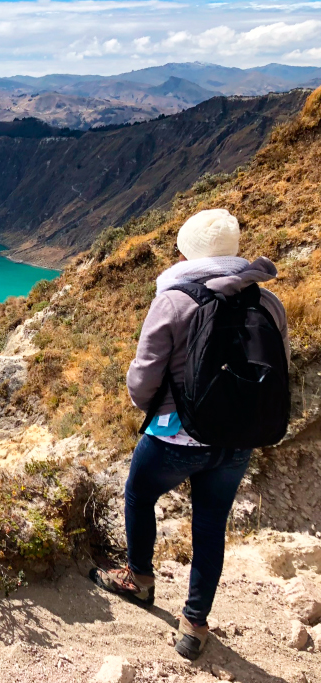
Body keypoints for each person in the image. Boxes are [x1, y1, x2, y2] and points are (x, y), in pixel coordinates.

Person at [90, 209, 290, 661]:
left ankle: (139, 580)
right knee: (210, 525)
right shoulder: (268, 301)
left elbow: (142, 379)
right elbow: (278, 369)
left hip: (175, 437)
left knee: (140, 495)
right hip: (238, 441)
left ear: (184, 252)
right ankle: (194, 625)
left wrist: (159, 411)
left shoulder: (175, 299)